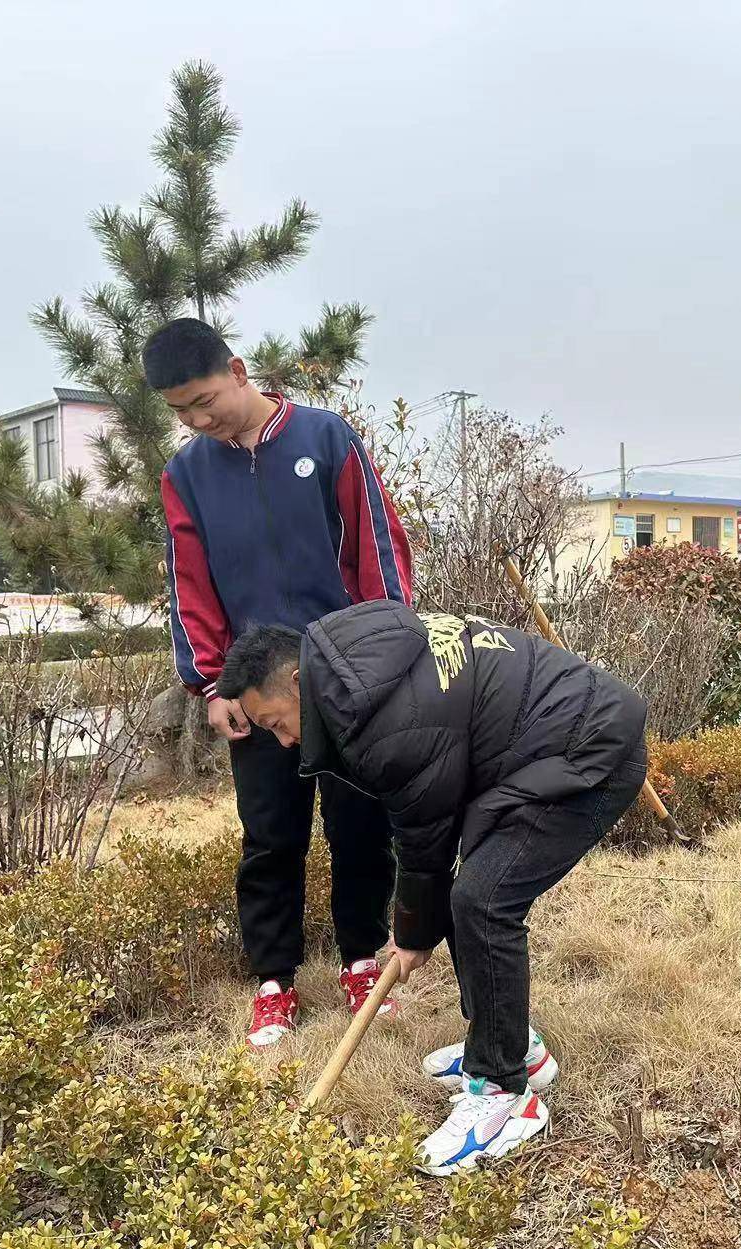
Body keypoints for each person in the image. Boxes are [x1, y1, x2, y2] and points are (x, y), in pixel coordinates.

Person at [218, 601, 649, 1175]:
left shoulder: (385, 721)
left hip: (591, 753)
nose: (286, 742)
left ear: (298, 681)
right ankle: (509, 1042)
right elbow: (432, 815)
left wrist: (413, 933)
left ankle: (502, 1094)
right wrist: (417, 923)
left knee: (483, 900)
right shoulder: (350, 655)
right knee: (472, 893)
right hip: (546, 743)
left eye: (276, 723)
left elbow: (426, 833)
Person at [146, 317, 413, 1048]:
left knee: (361, 825)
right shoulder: (187, 475)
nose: (198, 420)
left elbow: (377, 548)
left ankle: (362, 958)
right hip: (255, 690)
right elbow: (188, 583)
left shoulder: (327, 440)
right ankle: (275, 981)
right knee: (269, 835)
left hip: (345, 676)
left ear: (237, 371)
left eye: (205, 400)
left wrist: (383, 659)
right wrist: (211, 685)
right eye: (182, 413)